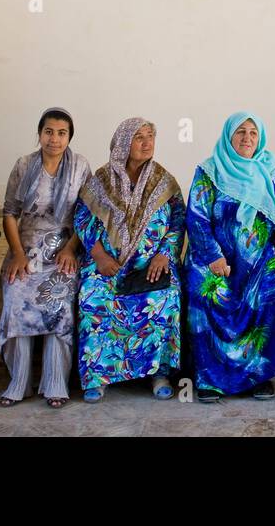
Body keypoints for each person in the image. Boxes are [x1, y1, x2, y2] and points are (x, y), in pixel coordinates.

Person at [184, 112, 275, 402]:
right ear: (228, 136)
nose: (247, 138)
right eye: (240, 132)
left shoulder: (269, 168)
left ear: (261, 138)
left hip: (258, 256)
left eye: (253, 133)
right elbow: (196, 218)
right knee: (205, 289)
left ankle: (258, 375)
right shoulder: (209, 170)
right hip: (215, 256)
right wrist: (212, 256)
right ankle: (210, 379)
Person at [76, 118, 185, 402]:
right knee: (93, 294)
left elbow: (178, 220)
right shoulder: (100, 180)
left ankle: (158, 373)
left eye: (151, 136)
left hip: (151, 264)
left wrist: (164, 254)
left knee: (166, 296)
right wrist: (98, 256)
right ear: (123, 143)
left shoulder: (164, 181)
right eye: (139, 137)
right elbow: (82, 218)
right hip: (108, 263)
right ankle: (97, 376)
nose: (147, 143)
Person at [0, 107, 90, 408]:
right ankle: (19, 382)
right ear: (40, 134)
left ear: (69, 137)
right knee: (16, 295)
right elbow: (10, 214)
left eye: (62, 133)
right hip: (26, 248)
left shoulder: (80, 167)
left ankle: (55, 383)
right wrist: (17, 255)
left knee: (60, 299)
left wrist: (70, 249)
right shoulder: (24, 165)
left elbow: (85, 215)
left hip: (63, 249)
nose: (54, 138)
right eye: (49, 131)